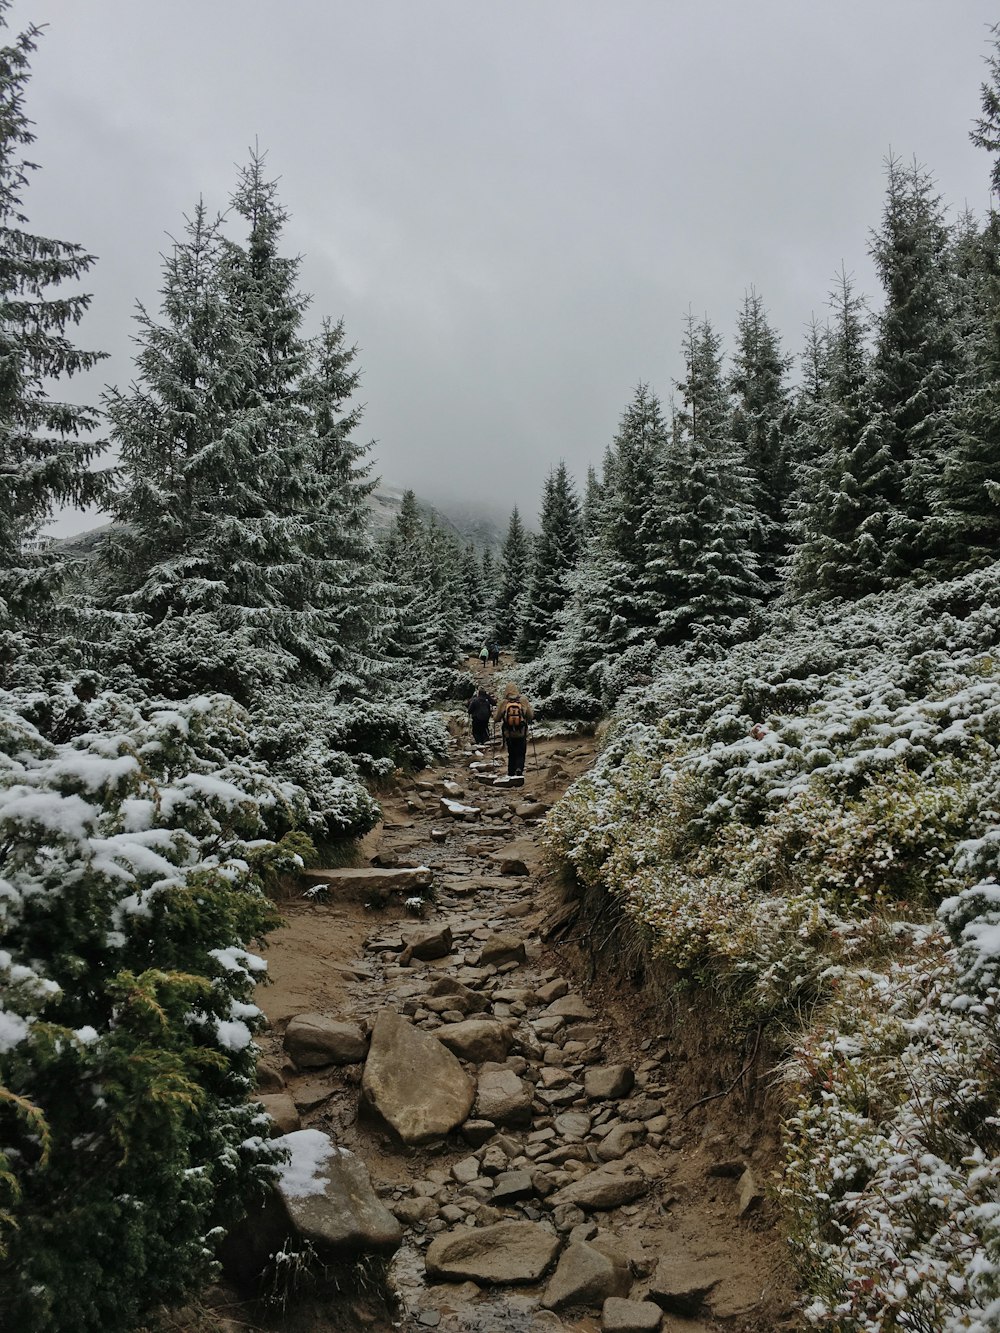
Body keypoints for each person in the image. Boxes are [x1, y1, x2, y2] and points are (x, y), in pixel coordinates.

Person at [495, 682, 533, 777]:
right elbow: (530, 715)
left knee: (511, 753)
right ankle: (519, 769)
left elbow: (497, 718)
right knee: (521, 752)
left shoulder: (504, 702)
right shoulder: (523, 700)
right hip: (521, 731)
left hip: (509, 733)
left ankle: (511, 773)